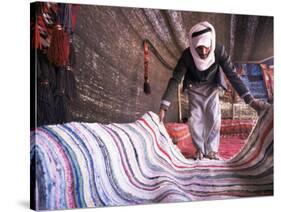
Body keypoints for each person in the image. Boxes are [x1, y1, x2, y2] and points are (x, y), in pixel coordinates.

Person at [158, 21, 269, 160]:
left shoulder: (219, 51)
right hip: (194, 88)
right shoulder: (187, 55)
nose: (204, 52)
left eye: (206, 47)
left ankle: (211, 150)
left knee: (213, 118)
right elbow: (175, 79)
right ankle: (199, 149)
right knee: (195, 119)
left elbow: (232, 75)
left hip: (212, 87)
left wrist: (250, 100)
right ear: (193, 45)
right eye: (199, 48)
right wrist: (164, 106)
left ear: (212, 41)